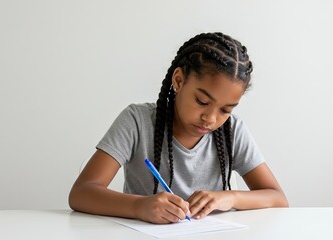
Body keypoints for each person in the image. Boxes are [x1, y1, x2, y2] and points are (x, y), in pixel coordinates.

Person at [69, 32, 288, 224]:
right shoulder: (137, 121)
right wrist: (139, 207)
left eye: (225, 110)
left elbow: (278, 199)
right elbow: (81, 193)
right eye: (202, 101)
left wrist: (230, 197)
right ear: (179, 80)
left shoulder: (233, 131)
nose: (210, 118)